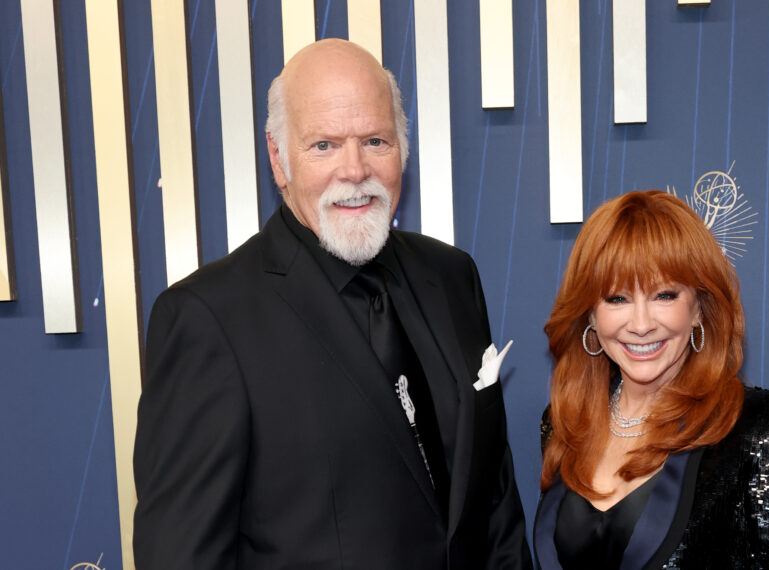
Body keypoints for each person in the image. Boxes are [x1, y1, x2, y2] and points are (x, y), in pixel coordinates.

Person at [133, 39, 532, 569]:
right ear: (279, 160)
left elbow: (495, 506)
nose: (354, 169)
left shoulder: (453, 277)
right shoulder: (209, 320)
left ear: (402, 149)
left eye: (375, 140)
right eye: (324, 145)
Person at [535, 191, 769, 569]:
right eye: (617, 299)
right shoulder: (563, 424)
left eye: (664, 295)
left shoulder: (762, 427)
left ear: (699, 308)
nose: (640, 325)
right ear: (589, 314)